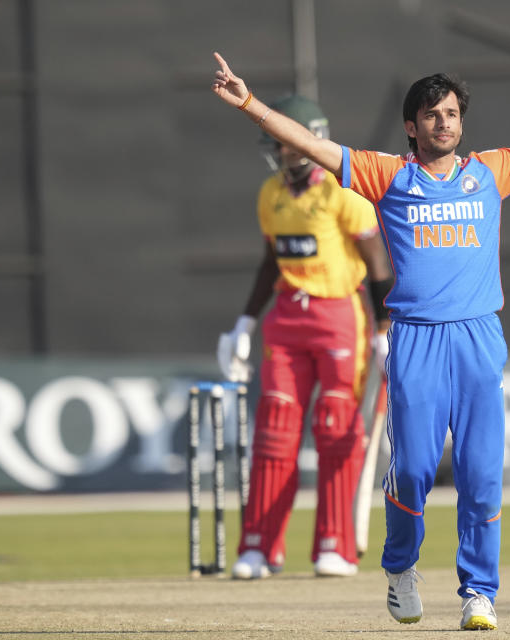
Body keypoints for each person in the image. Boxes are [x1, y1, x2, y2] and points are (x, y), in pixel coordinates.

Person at [211, 50, 510, 629]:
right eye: (431, 114)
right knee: (416, 470)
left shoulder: (490, 171)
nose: (443, 122)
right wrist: (250, 105)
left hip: (478, 337)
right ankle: (399, 568)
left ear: (460, 122)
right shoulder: (387, 175)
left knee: (480, 472)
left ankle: (479, 592)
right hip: (417, 340)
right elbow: (315, 146)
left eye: (451, 113)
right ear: (411, 126)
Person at [215, 94, 393, 580]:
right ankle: (259, 546)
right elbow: (271, 260)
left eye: (289, 144)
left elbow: (376, 261)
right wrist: (245, 322)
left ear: (311, 140)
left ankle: (334, 544)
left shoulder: (341, 190)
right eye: (277, 144)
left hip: (339, 315)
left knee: (336, 426)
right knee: (274, 430)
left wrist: (383, 329)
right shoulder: (271, 193)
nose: (281, 152)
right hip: (287, 319)